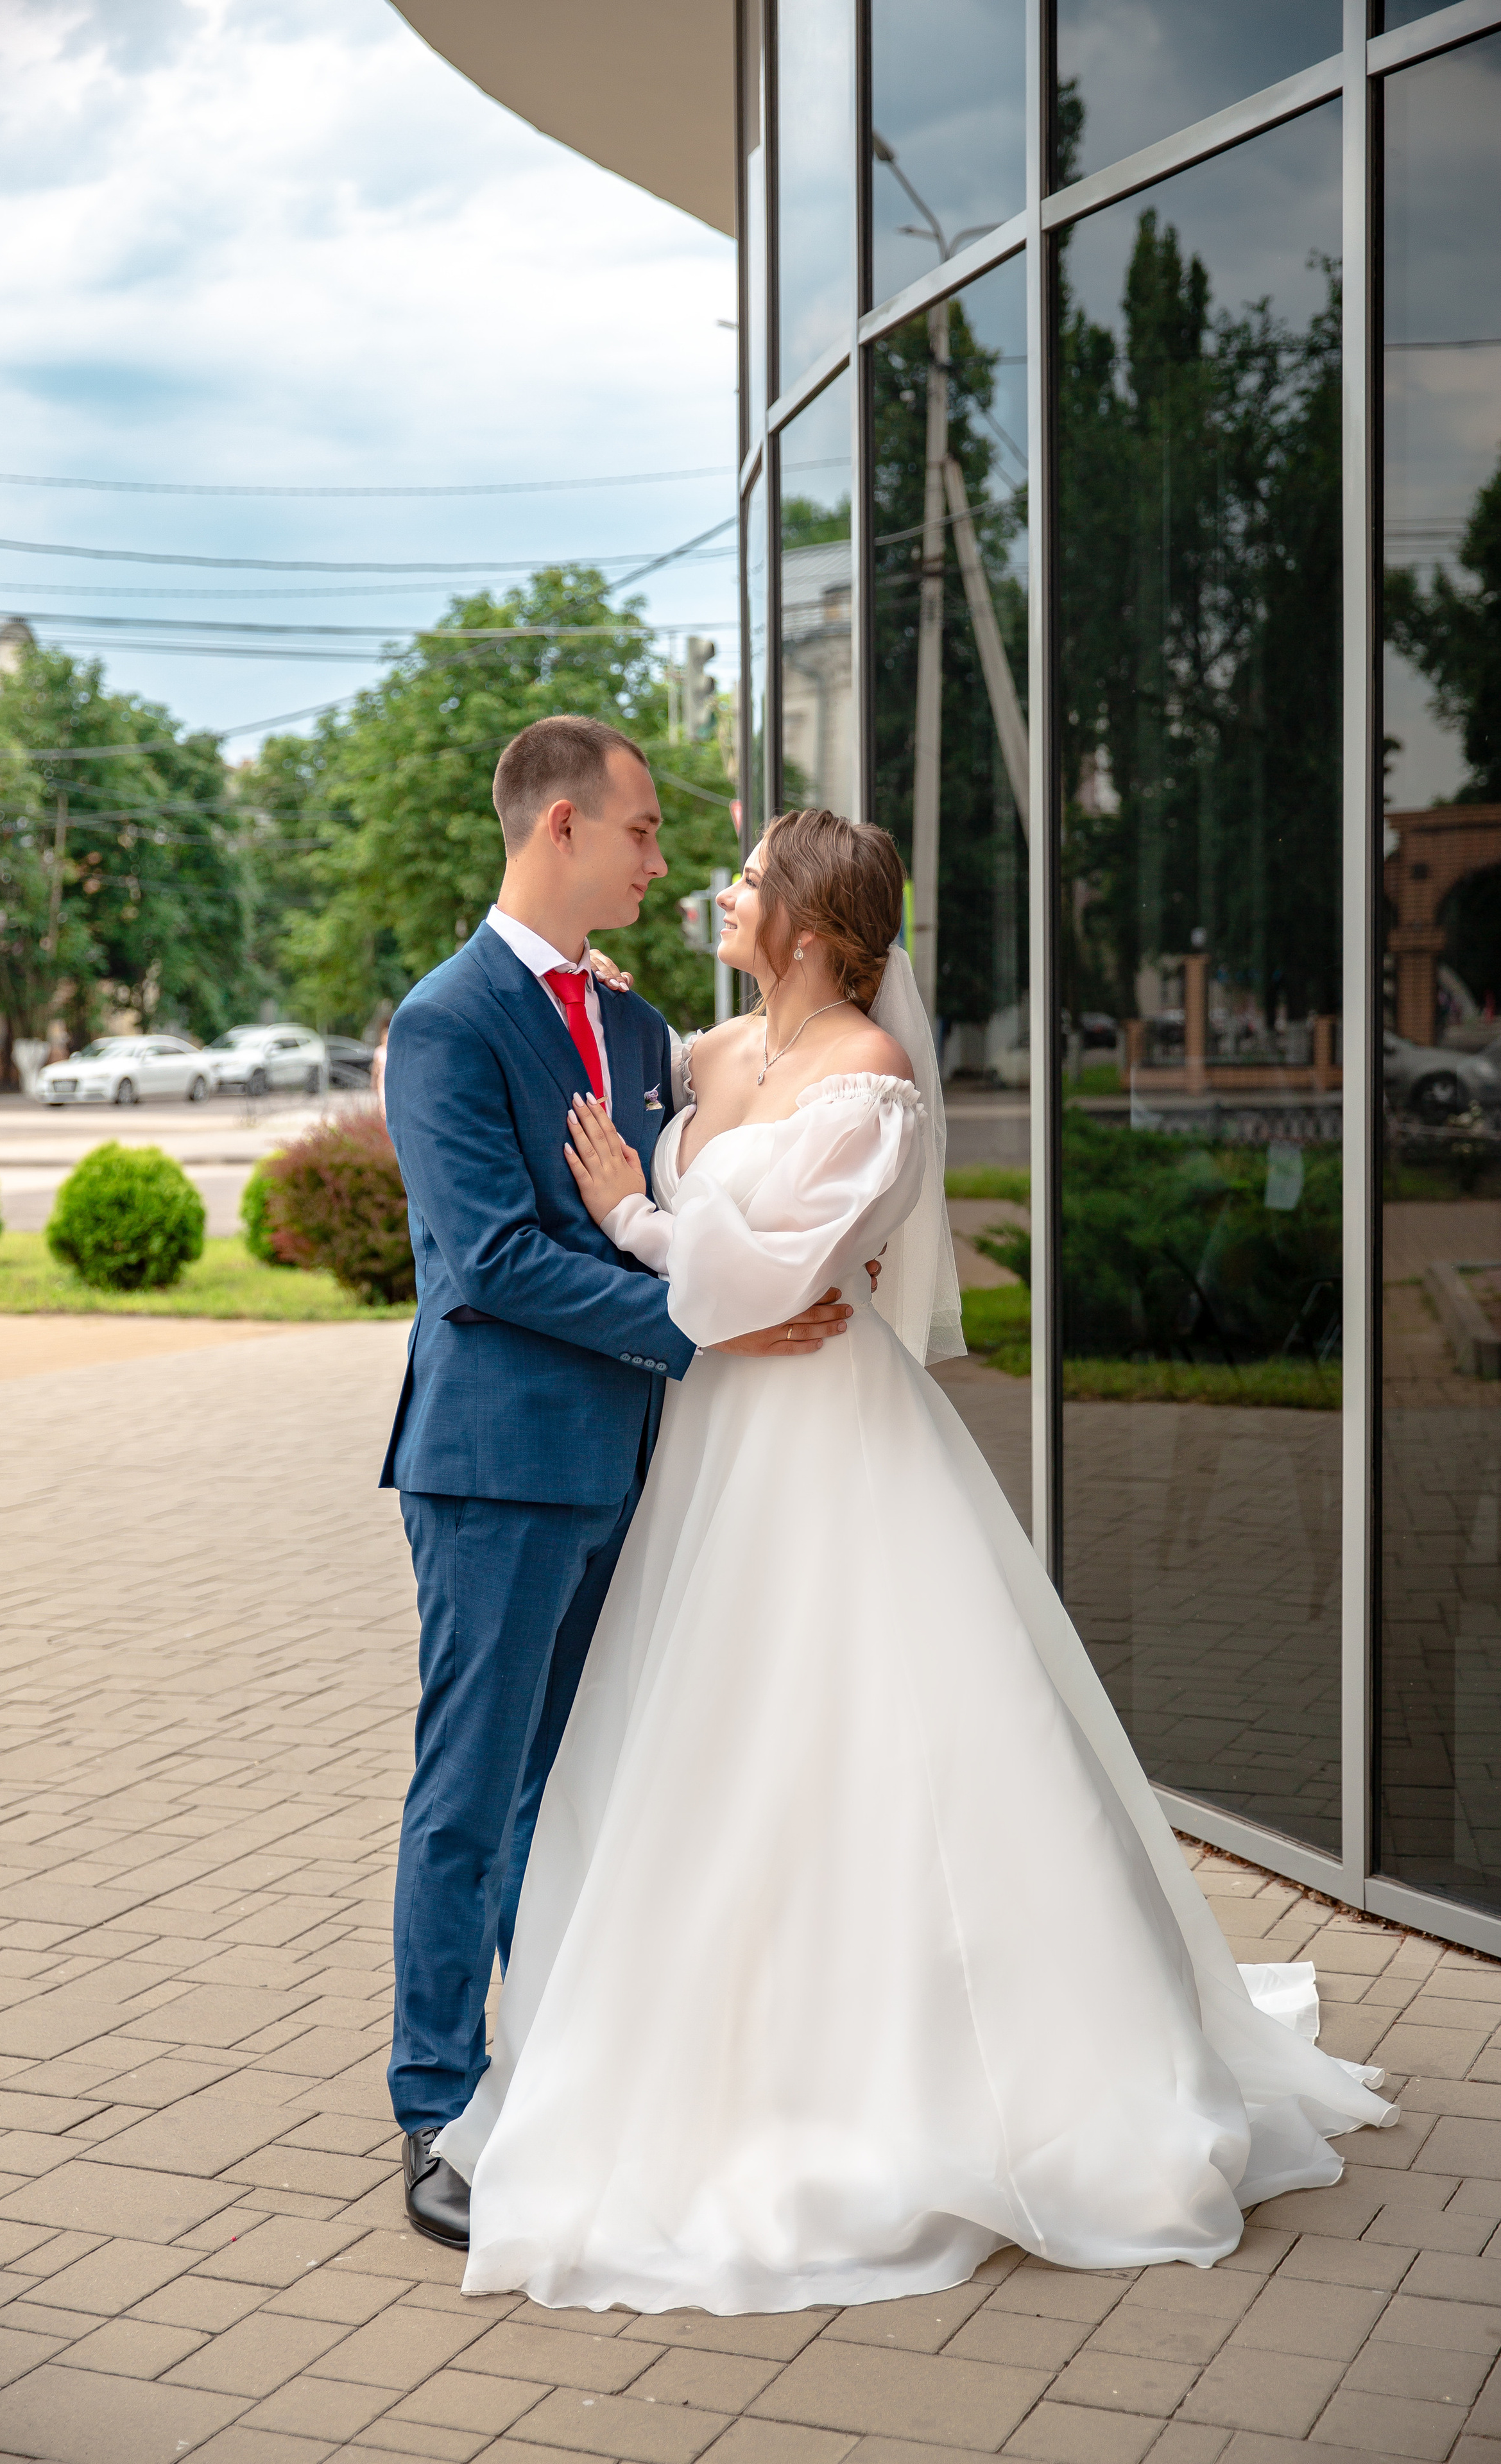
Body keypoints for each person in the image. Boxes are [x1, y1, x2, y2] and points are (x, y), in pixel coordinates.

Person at [431, 805, 1396, 2318]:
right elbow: (627, 1089)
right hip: (710, 1448)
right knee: (708, 1745)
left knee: (864, 1732)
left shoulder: (867, 1086)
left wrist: (631, 1204)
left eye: (745, 882)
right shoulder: (714, 1052)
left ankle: (958, 2075)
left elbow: (752, 1275)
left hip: (821, 1433)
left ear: (809, 928)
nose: (720, 893)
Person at [379, 721, 862, 2251]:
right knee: (470, 1795)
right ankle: (438, 2106)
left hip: (638, 1468)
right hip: (499, 1468)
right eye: (646, 834)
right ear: (565, 828)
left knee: (573, 1795)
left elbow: (689, 1195)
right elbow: (491, 1261)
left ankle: (567, 2078)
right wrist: (702, 1321)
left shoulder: (644, 1024)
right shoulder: (447, 1023)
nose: (663, 863)